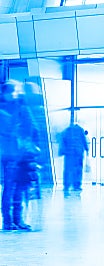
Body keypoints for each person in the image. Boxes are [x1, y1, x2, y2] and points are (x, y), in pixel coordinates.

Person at [0, 80, 39, 231]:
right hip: (8, 154)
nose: (15, 94)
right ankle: (8, 221)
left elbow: (32, 127)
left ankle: (19, 219)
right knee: (9, 188)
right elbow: (8, 129)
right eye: (12, 91)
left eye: (16, 91)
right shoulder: (3, 110)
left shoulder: (22, 107)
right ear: (5, 93)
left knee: (20, 188)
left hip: (22, 154)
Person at [60, 123, 89, 194]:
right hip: (78, 153)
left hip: (69, 153)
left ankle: (67, 185)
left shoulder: (66, 131)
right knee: (78, 170)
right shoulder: (80, 130)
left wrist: (62, 151)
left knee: (68, 170)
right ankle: (76, 185)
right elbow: (84, 140)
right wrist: (87, 149)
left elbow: (62, 141)